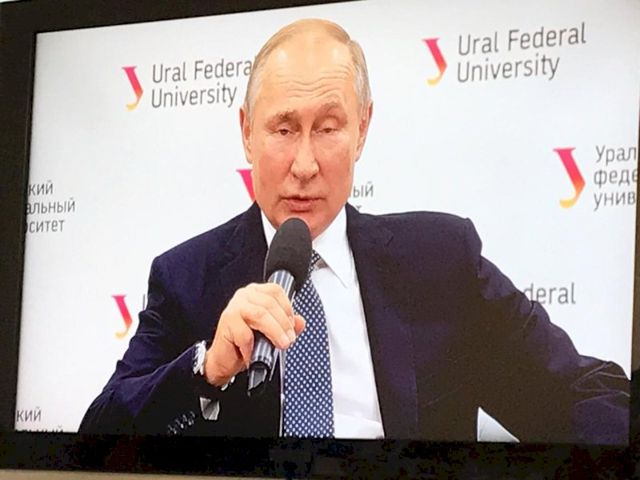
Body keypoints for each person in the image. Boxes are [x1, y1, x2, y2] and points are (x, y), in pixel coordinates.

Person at [79, 19, 629, 443]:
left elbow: (585, 393)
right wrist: (207, 369)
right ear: (246, 132)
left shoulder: (440, 260)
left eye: (328, 128)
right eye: (283, 129)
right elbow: (96, 441)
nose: (304, 164)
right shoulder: (187, 277)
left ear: (362, 129)